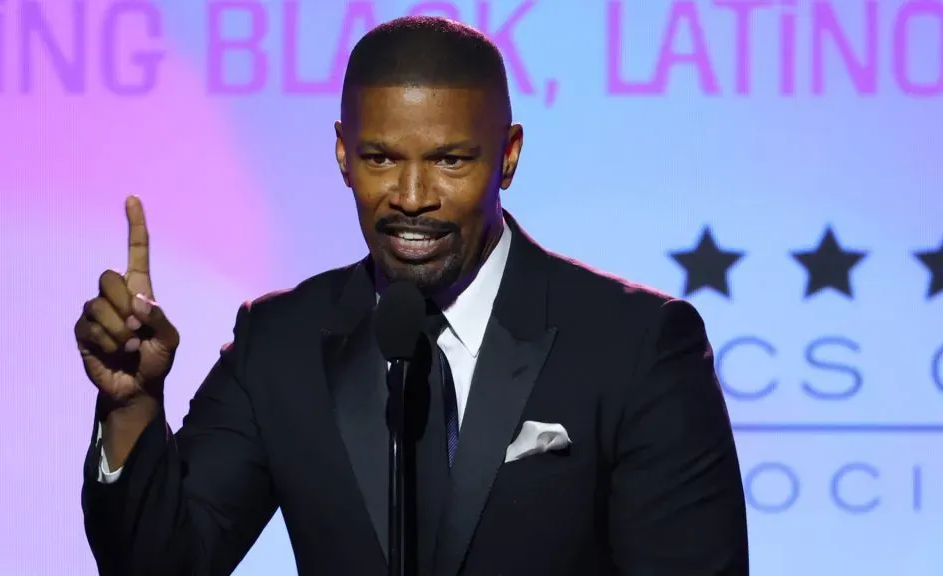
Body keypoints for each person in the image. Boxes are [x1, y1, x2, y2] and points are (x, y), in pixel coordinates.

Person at [76, 16, 749, 576]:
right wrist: (131, 406)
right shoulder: (279, 343)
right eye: (381, 159)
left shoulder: (634, 345)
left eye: (450, 159)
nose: (412, 197)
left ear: (508, 155)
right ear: (343, 154)